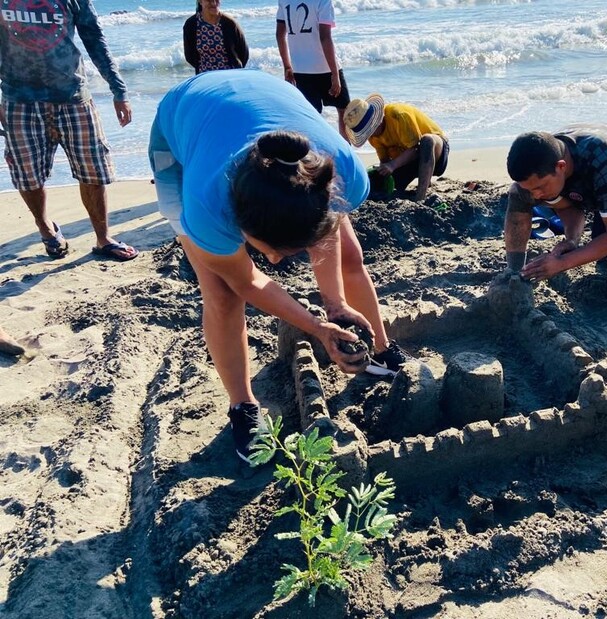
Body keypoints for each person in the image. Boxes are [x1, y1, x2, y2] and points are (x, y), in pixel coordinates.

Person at [149, 69, 413, 464]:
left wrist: (336, 305)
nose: (274, 261)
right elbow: (247, 281)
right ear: (240, 223)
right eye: (270, 251)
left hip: (263, 102)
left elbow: (326, 230)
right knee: (221, 293)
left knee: (349, 254)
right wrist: (318, 327)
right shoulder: (208, 207)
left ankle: (382, 349)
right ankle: (242, 405)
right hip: (182, 121)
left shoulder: (343, 170)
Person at [0, 0, 139, 261]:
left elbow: (94, 38)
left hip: (73, 95)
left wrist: (119, 90)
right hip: (19, 99)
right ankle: (46, 228)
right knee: (27, 174)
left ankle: (103, 238)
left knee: (93, 169)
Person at [504, 125, 607, 281]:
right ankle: (514, 270)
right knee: (519, 194)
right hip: (587, 184)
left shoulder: (606, 163)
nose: (536, 195)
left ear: (561, 166)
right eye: (531, 189)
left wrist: (562, 263)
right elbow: (567, 206)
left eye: (540, 187)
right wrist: (572, 240)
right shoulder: (547, 157)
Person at [343, 94, 449, 202]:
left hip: (435, 154)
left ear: (377, 119)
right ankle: (421, 182)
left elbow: (415, 149)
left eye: (370, 129)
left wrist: (392, 165)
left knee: (427, 141)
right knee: (380, 187)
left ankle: (420, 196)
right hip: (406, 162)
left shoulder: (397, 115)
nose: (370, 134)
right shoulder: (373, 137)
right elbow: (385, 161)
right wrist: (383, 171)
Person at [276, 0, 350, 141]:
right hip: (325, 67)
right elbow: (325, 37)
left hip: (300, 69)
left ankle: (316, 151)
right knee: (344, 111)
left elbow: (280, 35)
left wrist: (287, 66)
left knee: (311, 116)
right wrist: (335, 74)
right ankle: (345, 151)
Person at [183, 0, 249, 74]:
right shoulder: (191, 25)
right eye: (209, 0)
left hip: (231, 75)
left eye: (216, 0)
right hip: (205, 76)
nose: (214, 3)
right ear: (200, 2)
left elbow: (244, 53)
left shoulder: (230, 23)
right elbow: (189, 56)